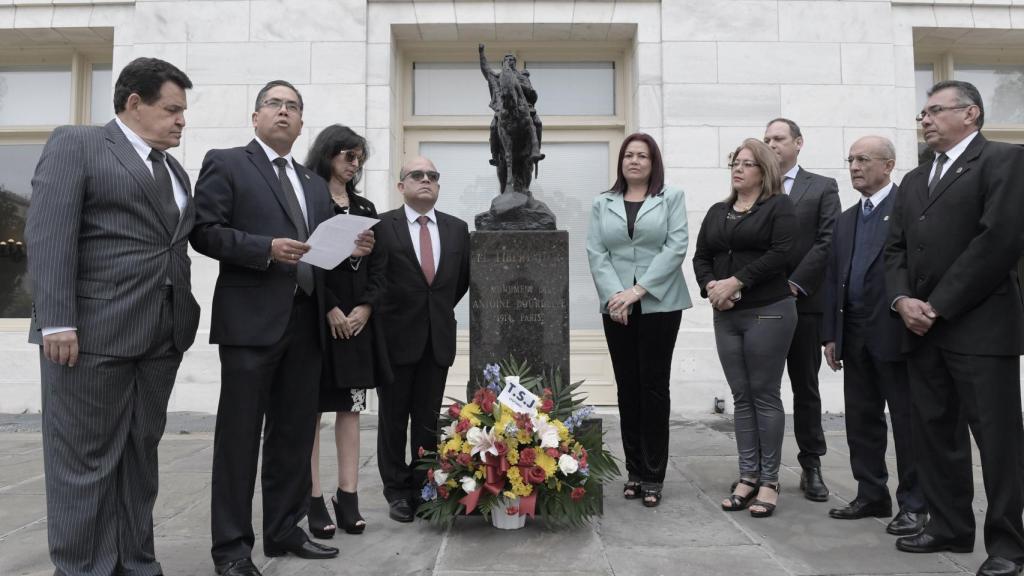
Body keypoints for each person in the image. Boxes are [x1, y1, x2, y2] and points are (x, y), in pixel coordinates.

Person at [25, 57, 199, 576]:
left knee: (139, 459)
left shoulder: (174, 169)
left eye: (183, 111)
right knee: (84, 464)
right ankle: (82, 568)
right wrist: (56, 319)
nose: (181, 121)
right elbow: (49, 233)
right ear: (133, 103)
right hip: (91, 335)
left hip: (160, 335)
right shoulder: (76, 144)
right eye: (172, 110)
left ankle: (135, 562)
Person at [191, 80, 372, 576]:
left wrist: (347, 250)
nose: (284, 112)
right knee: (239, 438)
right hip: (250, 322)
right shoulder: (227, 162)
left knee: (293, 435)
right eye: (275, 104)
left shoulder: (314, 184)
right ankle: (231, 548)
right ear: (256, 116)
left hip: (305, 320)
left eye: (294, 106)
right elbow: (204, 232)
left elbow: (317, 248)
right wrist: (263, 248)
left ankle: (284, 530)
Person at [884, 80, 1024, 576]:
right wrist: (902, 300)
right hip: (922, 330)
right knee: (935, 434)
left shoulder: (1004, 161)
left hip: (981, 328)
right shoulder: (915, 180)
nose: (925, 119)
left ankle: (1008, 546)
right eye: (923, 112)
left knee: (999, 442)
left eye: (936, 110)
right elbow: (895, 249)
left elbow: (998, 241)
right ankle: (949, 525)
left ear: (971, 115)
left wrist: (937, 305)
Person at [821, 136, 926, 536]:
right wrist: (831, 334)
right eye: (850, 159)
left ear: (889, 165)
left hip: (895, 333)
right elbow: (834, 278)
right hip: (854, 333)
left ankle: (915, 504)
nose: (854, 167)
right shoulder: (847, 219)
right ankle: (871, 493)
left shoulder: (909, 208)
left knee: (906, 422)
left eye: (864, 159)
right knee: (861, 419)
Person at [585, 132, 690, 508]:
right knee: (627, 387)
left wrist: (638, 290)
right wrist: (617, 295)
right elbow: (596, 250)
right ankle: (633, 470)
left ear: (652, 162)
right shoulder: (603, 202)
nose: (634, 161)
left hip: (660, 303)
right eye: (628, 155)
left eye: (642, 156)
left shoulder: (670, 198)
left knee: (653, 387)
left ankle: (653, 474)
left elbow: (675, 246)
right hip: (616, 307)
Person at [693, 138, 797, 518]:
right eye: (735, 163)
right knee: (741, 397)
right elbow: (702, 255)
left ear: (764, 170)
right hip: (727, 313)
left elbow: (781, 254)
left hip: (768, 310)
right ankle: (748, 475)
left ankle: (769, 481)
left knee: (764, 394)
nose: (738, 169)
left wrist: (736, 282)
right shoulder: (718, 211)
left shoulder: (778, 206)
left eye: (748, 164)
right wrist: (712, 287)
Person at [303, 125, 390, 538]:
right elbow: (308, 263)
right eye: (346, 155)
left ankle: (348, 496)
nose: (353, 163)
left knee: (351, 410)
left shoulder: (364, 205)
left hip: (357, 326)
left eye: (358, 157)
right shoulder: (307, 199)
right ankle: (314, 498)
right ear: (328, 154)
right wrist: (331, 308)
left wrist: (366, 307)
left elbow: (380, 265)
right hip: (318, 324)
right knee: (313, 411)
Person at [374, 156, 470, 523]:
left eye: (432, 175)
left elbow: (456, 283)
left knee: (428, 421)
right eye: (417, 175)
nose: (426, 180)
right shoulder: (383, 226)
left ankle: (424, 486)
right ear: (402, 186)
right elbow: (375, 280)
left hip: (437, 339)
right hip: (395, 340)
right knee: (393, 419)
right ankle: (397, 491)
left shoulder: (458, 230)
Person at [763, 118, 840, 502]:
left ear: (798, 143)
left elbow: (828, 241)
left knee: (804, 388)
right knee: (762, 389)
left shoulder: (822, 187)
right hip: (761, 304)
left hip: (804, 303)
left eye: (779, 138)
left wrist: (794, 283)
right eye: (767, 140)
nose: (772, 145)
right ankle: (762, 470)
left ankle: (811, 465)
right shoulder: (755, 187)